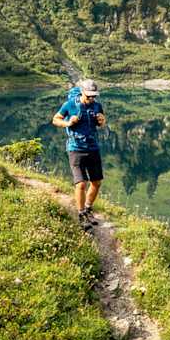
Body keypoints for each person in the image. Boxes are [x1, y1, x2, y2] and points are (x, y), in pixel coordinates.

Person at [53, 79, 107, 230]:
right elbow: (56, 119)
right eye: (89, 96)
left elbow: (102, 121)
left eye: (94, 96)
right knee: (81, 183)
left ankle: (88, 209)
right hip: (75, 148)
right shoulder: (70, 105)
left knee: (96, 182)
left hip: (93, 148)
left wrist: (102, 121)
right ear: (82, 92)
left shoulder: (97, 105)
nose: (91, 99)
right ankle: (81, 214)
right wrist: (68, 123)